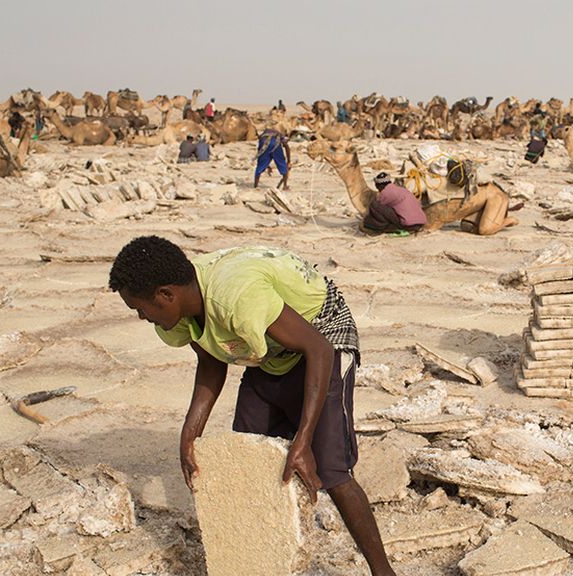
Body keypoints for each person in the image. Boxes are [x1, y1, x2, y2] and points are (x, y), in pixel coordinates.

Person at [108, 237, 396, 576]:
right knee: (249, 460)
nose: (141, 317)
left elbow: (317, 349)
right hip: (271, 350)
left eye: (140, 308)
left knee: (331, 467)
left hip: (321, 336)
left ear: (166, 295)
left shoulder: (236, 298)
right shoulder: (181, 311)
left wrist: (303, 441)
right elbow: (212, 360)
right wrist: (190, 434)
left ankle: (383, 571)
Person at [362, 172, 427, 234]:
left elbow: (378, 208)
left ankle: (383, 226)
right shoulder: (402, 189)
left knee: (374, 206)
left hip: (408, 225)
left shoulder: (385, 193)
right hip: (421, 223)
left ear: (378, 185)